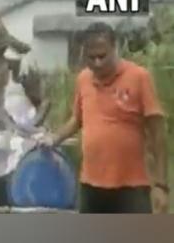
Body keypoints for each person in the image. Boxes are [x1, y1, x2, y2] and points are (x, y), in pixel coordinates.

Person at [41, 22, 168, 214]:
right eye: (91, 58)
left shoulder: (139, 77)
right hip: (91, 185)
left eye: (102, 56)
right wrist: (54, 138)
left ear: (115, 48)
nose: (97, 63)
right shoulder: (83, 79)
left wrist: (161, 185)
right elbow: (77, 119)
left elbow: (158, 134)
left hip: (131, 186)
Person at [0, 45, 50, 136]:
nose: (8, 64)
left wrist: (34, 122)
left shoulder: (30, 75)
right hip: (8, 121)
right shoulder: (3, 74)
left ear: (18, 62)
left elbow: (45, 102)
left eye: (11, 62)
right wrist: (8, 122)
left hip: (28, 121)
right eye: (7, 61)